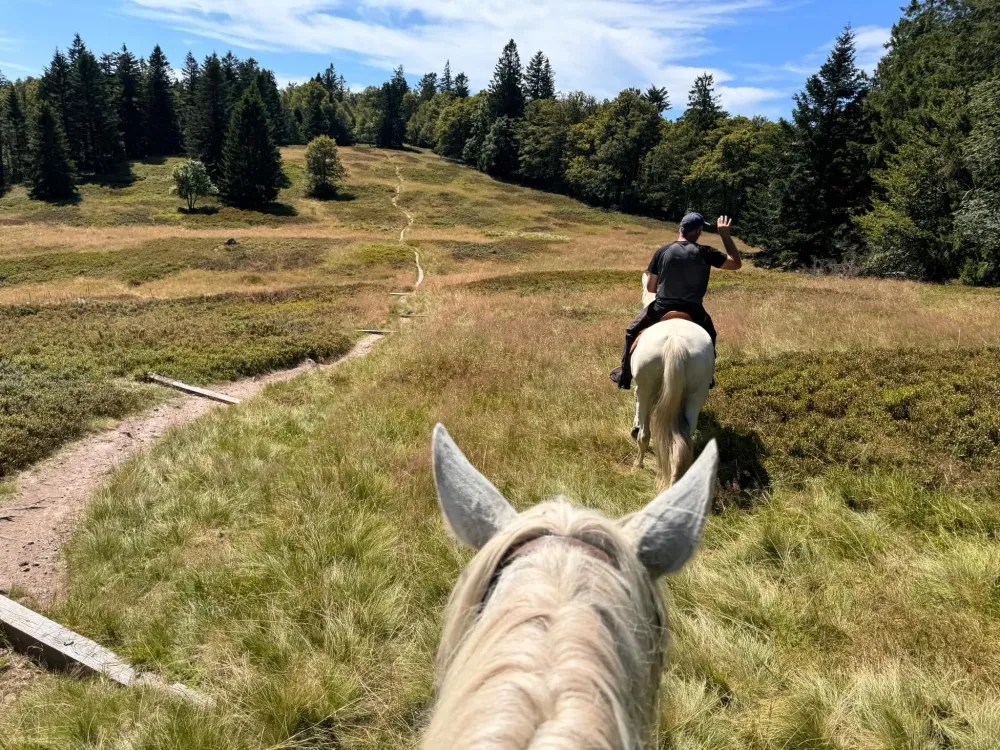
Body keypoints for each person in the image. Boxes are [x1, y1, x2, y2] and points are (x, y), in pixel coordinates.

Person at [610, 213, 743, 390]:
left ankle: (625, 376)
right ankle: (707, 375)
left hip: (661, 308)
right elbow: (735, 263)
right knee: (710, 335)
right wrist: (725, 236)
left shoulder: (662, 252)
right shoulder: (705, 252)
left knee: (631, 331)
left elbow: (650, 288)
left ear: (681, 228)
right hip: (694, 310)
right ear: (698, 230)